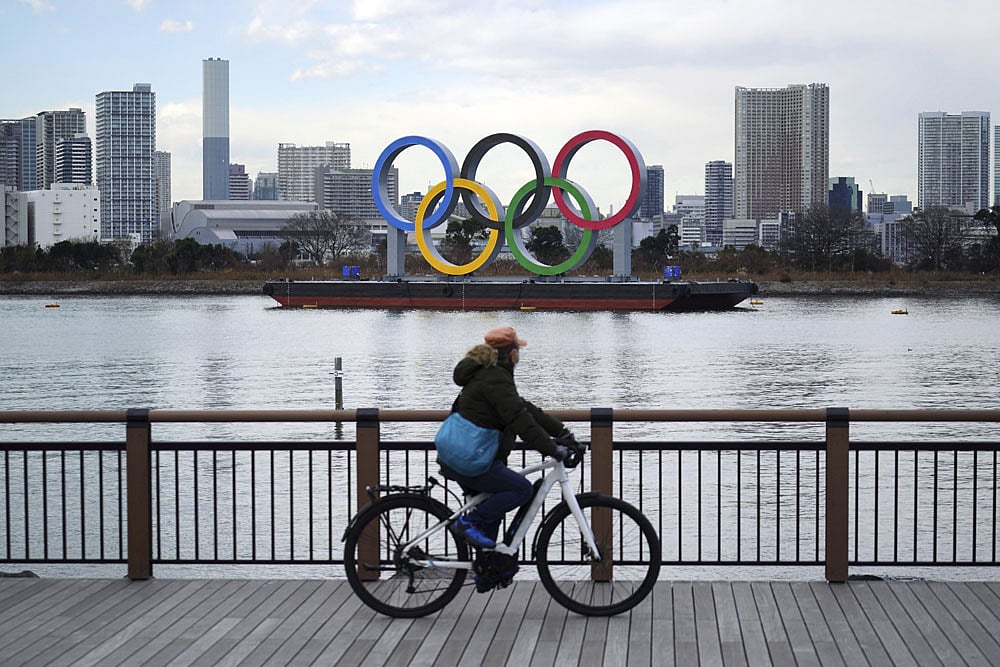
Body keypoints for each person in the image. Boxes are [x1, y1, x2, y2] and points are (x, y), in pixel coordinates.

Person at [440, 326, 573, 551]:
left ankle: (487, 569)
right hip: (472, 460)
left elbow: (525, 408)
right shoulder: (495, 378)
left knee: (492, 514)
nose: (520, 355)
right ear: (511, 353)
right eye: (518, 350)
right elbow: (521, 421)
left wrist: (560, 432)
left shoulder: (490, 374)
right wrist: (553, 449)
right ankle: (467, 522)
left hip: (468, 455)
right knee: (521, 490)